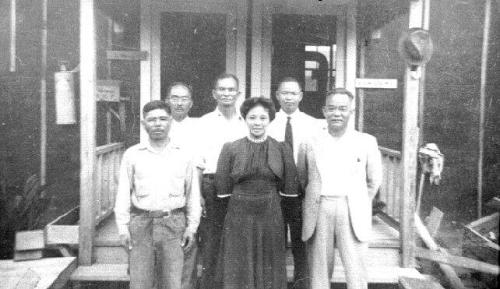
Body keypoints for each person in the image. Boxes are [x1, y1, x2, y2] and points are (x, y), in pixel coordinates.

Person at [297, 88, 382, 289]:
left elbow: (373, 181)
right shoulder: (309, 141)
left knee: (356, 270)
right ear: (324, 111)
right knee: (318, 270)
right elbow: (303, 177)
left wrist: (358, 200)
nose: (337, 113)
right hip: (320, 207)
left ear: (351, 112)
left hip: (351, 209)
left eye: (343, 109)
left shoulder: (366, 141)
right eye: (332, 109)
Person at [114, 100, 202, 289]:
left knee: (173, 282)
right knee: (140, 283)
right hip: (141, 224)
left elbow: (193, 195)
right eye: (152, 120)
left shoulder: (184, 155)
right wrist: (122, 228)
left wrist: (191, 228)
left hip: (174, 223)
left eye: (163, 119)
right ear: (143, 123)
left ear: (170, 121)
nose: (158, 124)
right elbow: (123, 194)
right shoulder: (132, 155)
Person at [215, 97, 298, 289]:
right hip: (239, 214)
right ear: (245, 119)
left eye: (263, 118)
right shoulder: (231, 148)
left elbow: (289, 188)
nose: (257, 123)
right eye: (252, 118)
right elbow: (223, 188)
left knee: (269, 262)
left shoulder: (281, 148)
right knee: (239, 261)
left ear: (270, 120)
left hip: (270, 213)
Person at [267, 77, 318, 288]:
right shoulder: (268, 122)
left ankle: (301, 285)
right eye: (284, 93)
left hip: (301, 193)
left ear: (301, 96)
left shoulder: (313, 124)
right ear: (277, 95)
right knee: (275, 244)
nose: (289, 97)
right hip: (275, 193)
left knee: (301, 245)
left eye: (293, 93)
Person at [198, 73, 247, 289]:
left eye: (230, 90)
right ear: (214, 93)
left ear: (238, 94)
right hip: (212, 185)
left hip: (241, 187)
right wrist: (197, 194)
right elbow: (197, 163)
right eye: (222, 89)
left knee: (239, 241)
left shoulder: (247, 121)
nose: (226, 93)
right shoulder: (204, 123)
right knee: (212, 241)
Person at [165, 82, 200, 289]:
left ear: (191, 103)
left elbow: (200, 163)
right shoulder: (160, 125)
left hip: (194, 191)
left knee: (190, 246)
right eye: (174, 98)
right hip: (168, 195)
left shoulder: (198, 127)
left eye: (184, 98)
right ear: (167, 100)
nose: (179, 103)